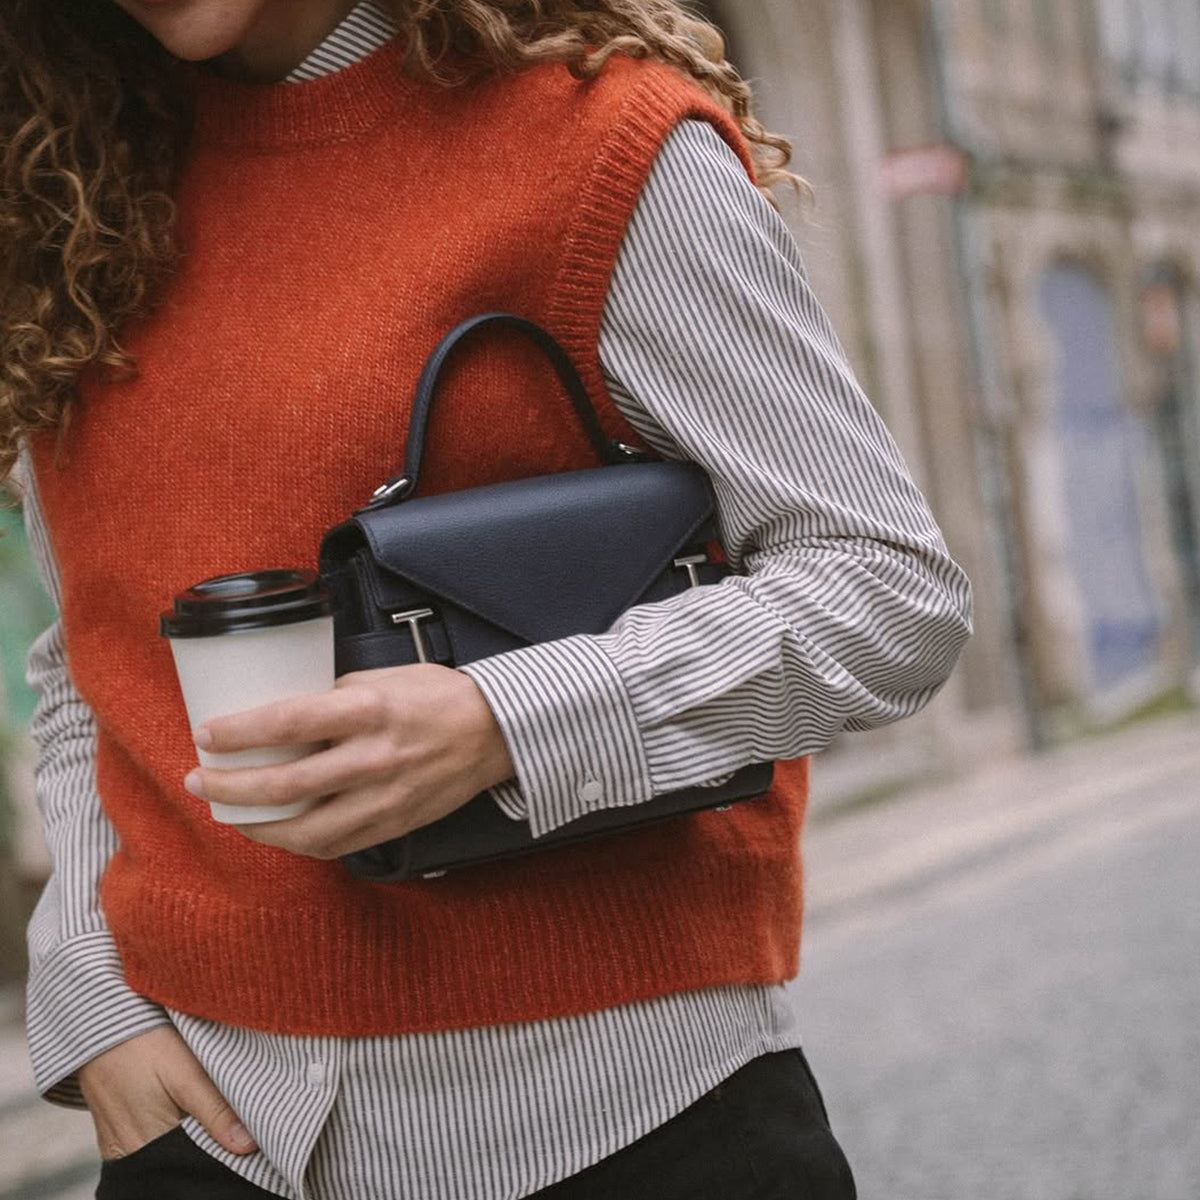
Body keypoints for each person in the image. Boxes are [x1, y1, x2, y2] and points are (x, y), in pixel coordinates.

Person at [0, 1, 973, 1197]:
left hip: (614, 1119)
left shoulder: (602, 143)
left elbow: (887, 589)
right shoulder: (65, 204)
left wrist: (506, 723)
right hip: (201, 1134)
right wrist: (87, 990)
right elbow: (82, 667)